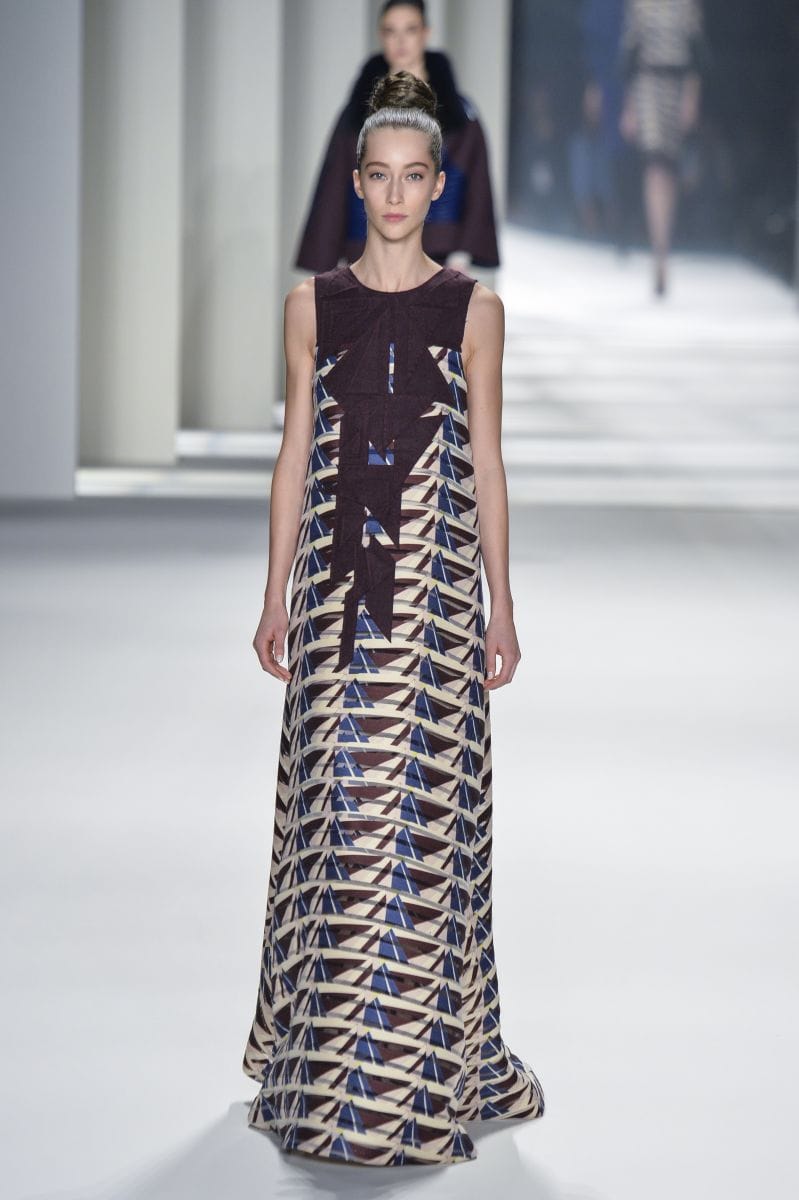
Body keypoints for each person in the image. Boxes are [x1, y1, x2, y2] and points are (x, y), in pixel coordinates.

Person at [241, 69, 545, 1167]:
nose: (397, 194)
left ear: (436, 186)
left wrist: (499, 604)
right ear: (358, 183)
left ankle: (413, 1074)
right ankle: (330, 1071)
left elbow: (487, 463)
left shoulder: (474, 311)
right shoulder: (309, 305)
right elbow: (293, 454)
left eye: (416, 177)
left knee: (416, 816)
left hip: (432, 597)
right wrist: (273, 592)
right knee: (336, 811)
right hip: (333, 595)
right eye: (381, 176)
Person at [294, 0, 499, 274]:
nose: (401, 41)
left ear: (425, 33)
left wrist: (462, 252)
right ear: (381, 36)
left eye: (410, 30)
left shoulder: (458, 113)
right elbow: (336, 182)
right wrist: (332, 256)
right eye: (391, 31)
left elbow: (475, 180)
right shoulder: (357, 112)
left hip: (438, 249)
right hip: (366, 246)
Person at [619, 0, 704, 294]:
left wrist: (692, 98)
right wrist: (629, 107)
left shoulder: (687, 5)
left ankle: (663, 246)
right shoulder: (640, 5)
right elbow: (630, 54)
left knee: (669, 169)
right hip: (648, 85)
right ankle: (659, 254)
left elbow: (696, 52)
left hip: (678, 86)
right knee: (655, 166)